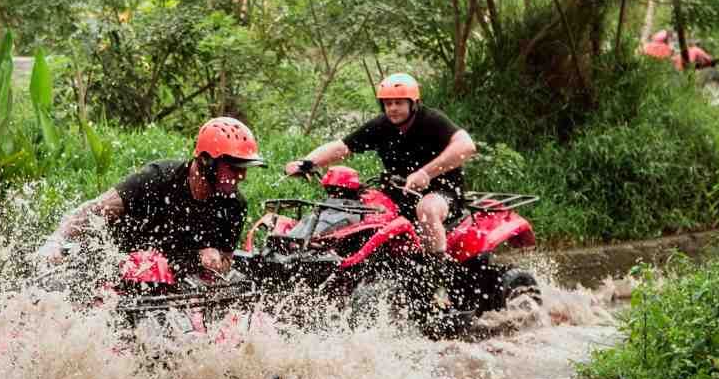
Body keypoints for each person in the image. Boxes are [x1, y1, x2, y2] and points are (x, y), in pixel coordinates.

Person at [285, 72, 477, 260]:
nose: (392, 108)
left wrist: (426, 173)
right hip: (397, 192)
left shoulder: (431, 120)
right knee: (357, 208)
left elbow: (466, 146)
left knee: (426, 210)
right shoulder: (382, 125)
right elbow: (342, 147)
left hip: (441, 193)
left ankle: (435, 271)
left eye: (399, 103)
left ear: (413, 104)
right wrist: (306, 162)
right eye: (387, 103)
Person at [45, 117, 266, 278]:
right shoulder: (158, 178)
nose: (242, 176)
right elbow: (95, 210)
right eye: (234, 168)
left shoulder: (235, 205)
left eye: (243, 168)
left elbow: (227, 260)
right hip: (119, 264)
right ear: (207, 162)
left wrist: (215, 260)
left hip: (174, 278)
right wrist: (56, 241)